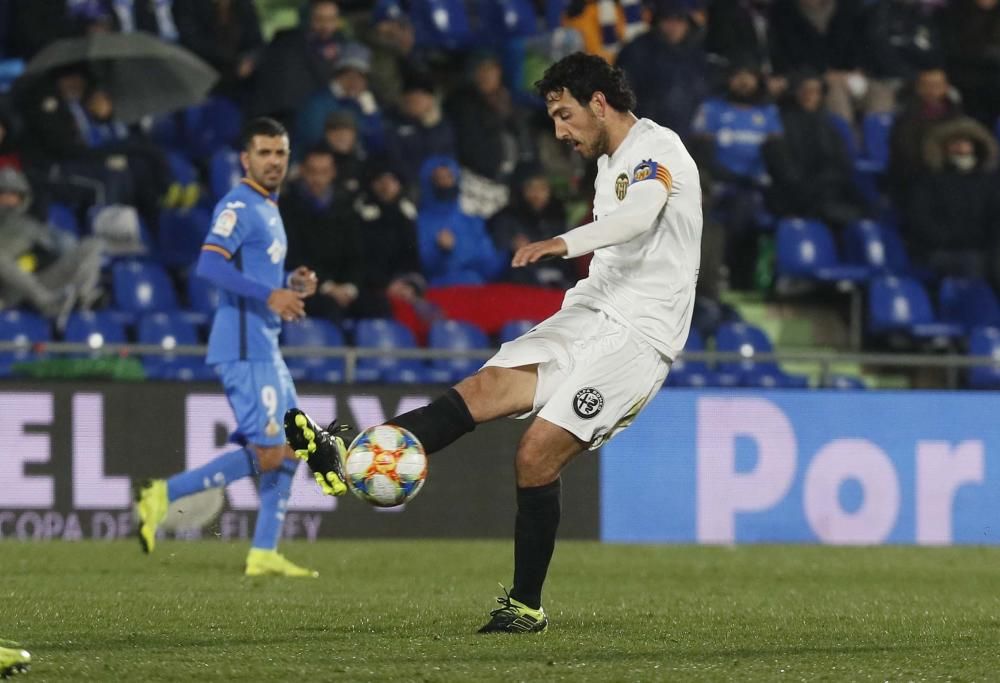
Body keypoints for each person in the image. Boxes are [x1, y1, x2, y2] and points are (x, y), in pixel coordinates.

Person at [285, 52, 702, 633]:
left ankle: (525, 606)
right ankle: (354, 460)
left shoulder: (658, 149)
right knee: (483, 387)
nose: (558, 131)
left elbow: (639, 217)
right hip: (589, 313)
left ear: (598, 103)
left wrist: (561, 242)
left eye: (563, 114)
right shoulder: (610, 163)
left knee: (534, 453)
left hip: (637, 337)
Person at [133, 118, 334, 578]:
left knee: (292, 445)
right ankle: (164, 493)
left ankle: (264, 551)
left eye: (280, 153)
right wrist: (271, 296)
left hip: (265, 346)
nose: (273, 161)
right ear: (246, 159)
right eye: (264, 153)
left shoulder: (269, 207)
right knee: (269, 453)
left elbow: (257, 278)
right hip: (243, 348)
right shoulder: (239, 205)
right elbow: (209, 264)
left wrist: (290, 285)